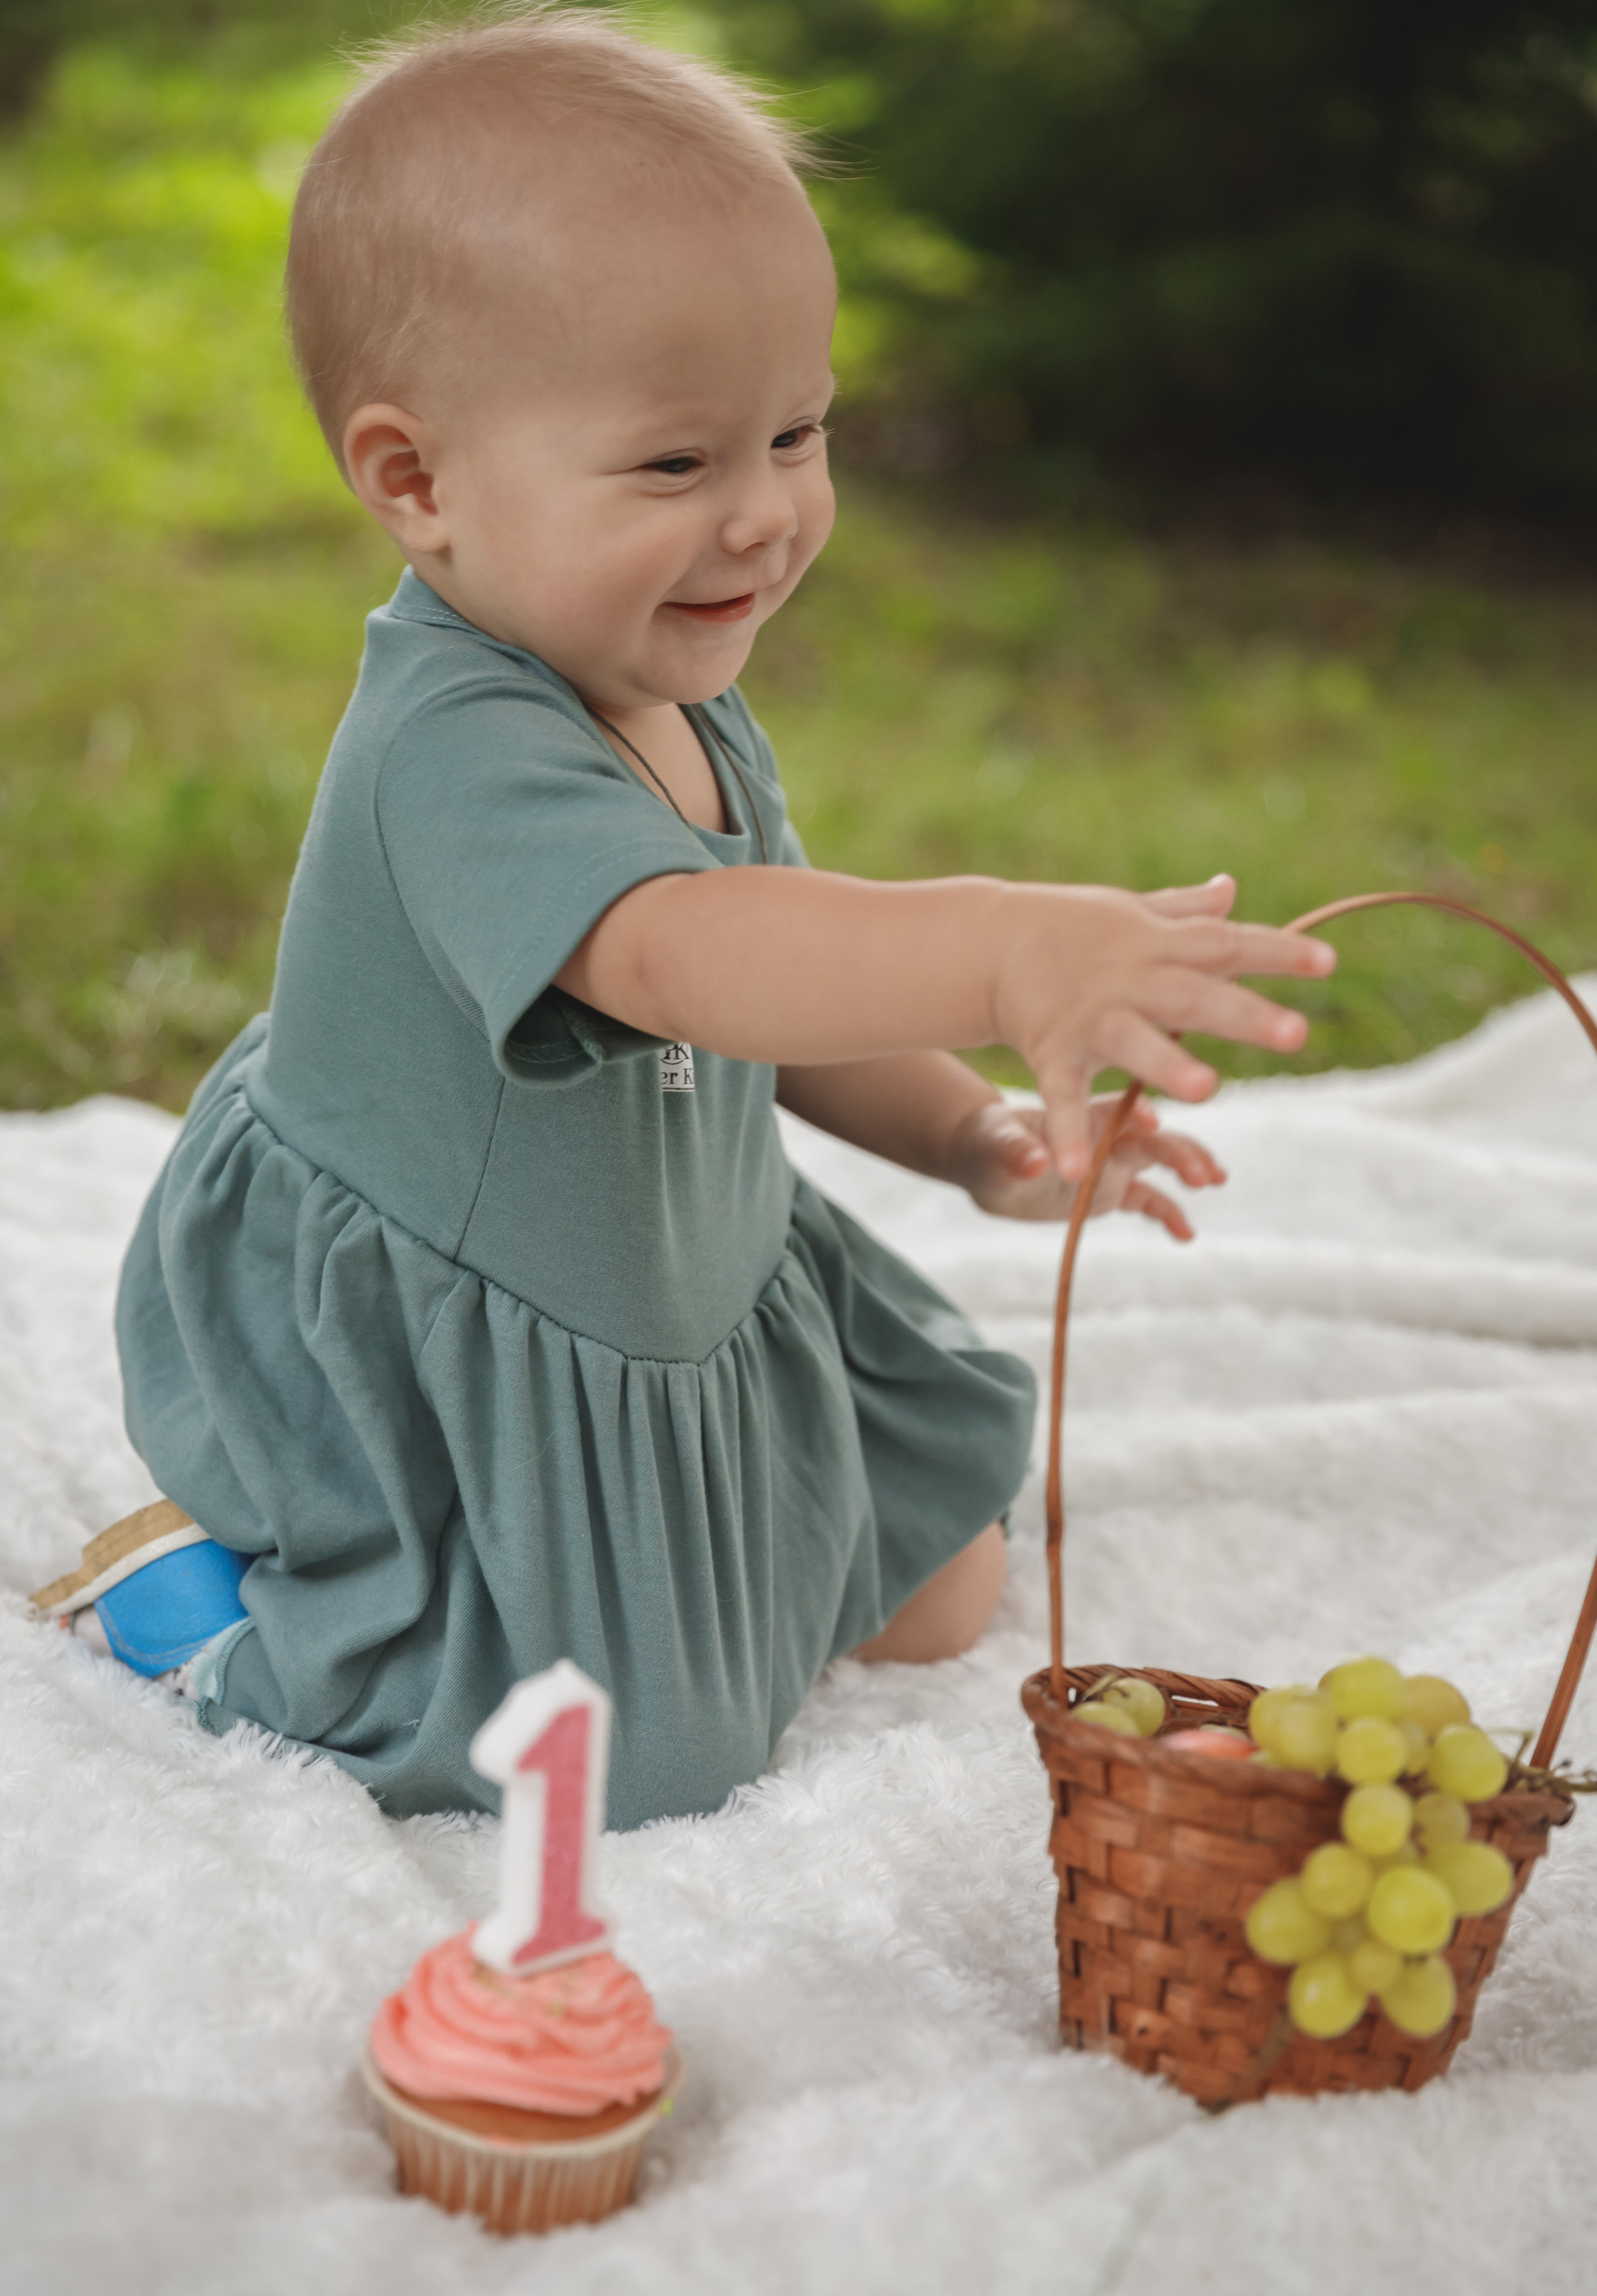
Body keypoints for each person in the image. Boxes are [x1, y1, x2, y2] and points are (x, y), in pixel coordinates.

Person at [31, 7, 1333, 1825]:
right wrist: (1005, 938)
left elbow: (780, 983)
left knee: (940, 1573)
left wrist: (974, 1133)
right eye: (676, 464)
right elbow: (685, 954)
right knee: (630, 1754)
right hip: (464, 1305)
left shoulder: (657, 672)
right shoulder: (456, 752)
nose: (769, 518)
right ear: (416, 484)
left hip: (677, 1252)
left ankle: (711, 1516)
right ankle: (202, 1622)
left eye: (798, 433)